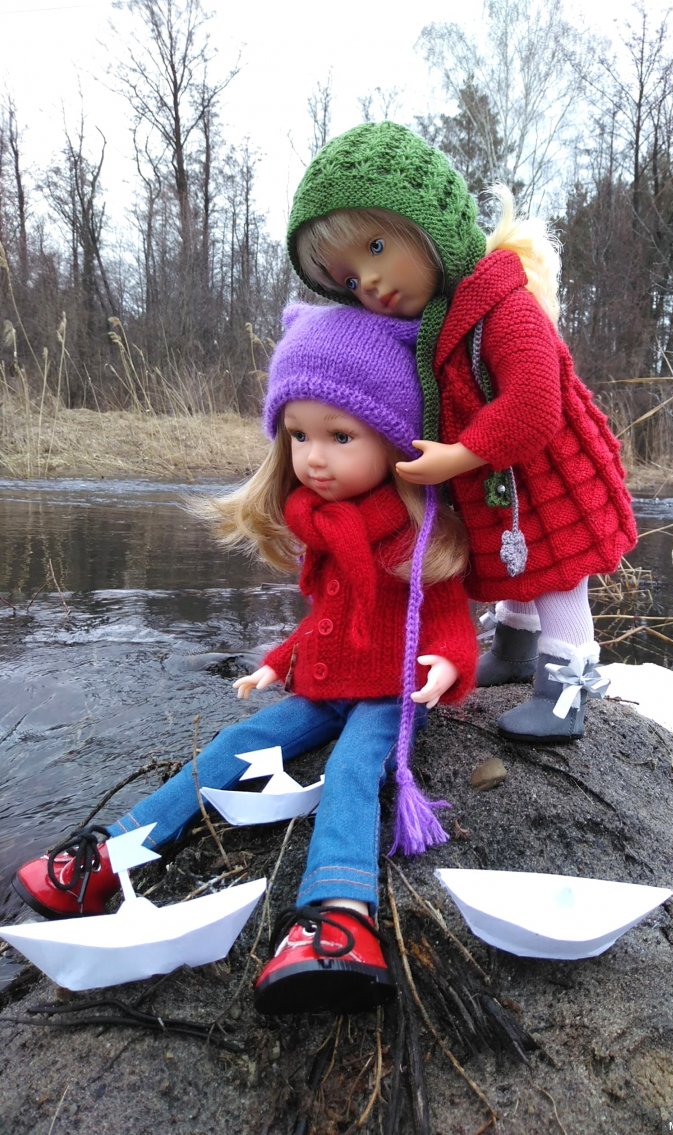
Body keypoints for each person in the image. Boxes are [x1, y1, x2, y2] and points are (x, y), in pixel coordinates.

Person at [13, 302, 479, 1016]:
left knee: (354, 770)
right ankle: (110, 856)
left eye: (340, 436)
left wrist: (445, 666)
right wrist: (278, 661)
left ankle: (339, 914)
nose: (313, 457)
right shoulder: (325, 529)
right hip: (326, 686)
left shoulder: (416, 538)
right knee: (237, 742)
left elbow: (446, 620)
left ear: (397, 443)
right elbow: (328, 620)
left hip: (389, 693)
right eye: (298, 436)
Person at [284, 120, 639, 743]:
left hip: (549, 477)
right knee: (519, 571)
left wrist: (459, 456)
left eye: (373, 249)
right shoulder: (446, 319)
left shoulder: (503, 304)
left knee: (557, 578)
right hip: (508, 485)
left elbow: (534, 404)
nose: (365, 282)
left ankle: (567, 692)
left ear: (430, 228)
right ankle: (515, 649)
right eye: (345, 279)